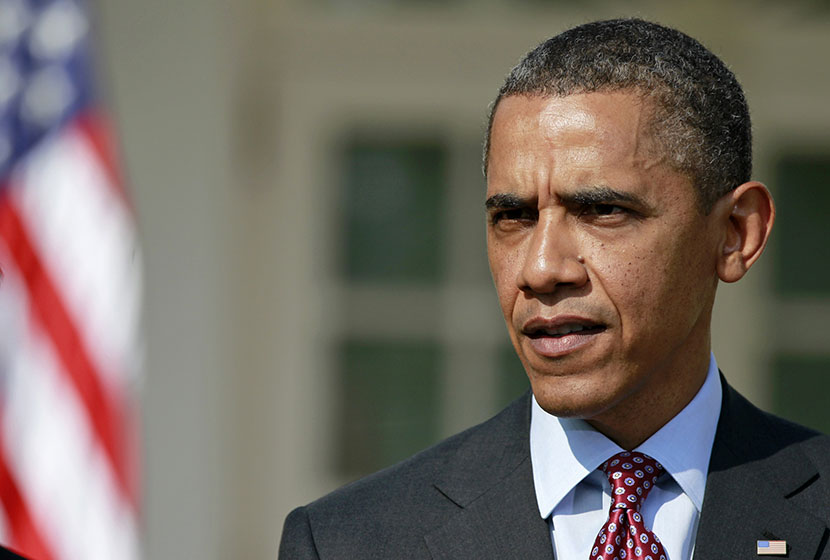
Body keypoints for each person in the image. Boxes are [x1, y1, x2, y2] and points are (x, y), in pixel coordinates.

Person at [278, 18, 830, 560]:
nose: (540, 269)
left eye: (602, 210)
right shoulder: (348, 542)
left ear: (736, 234)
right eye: (513, 216)